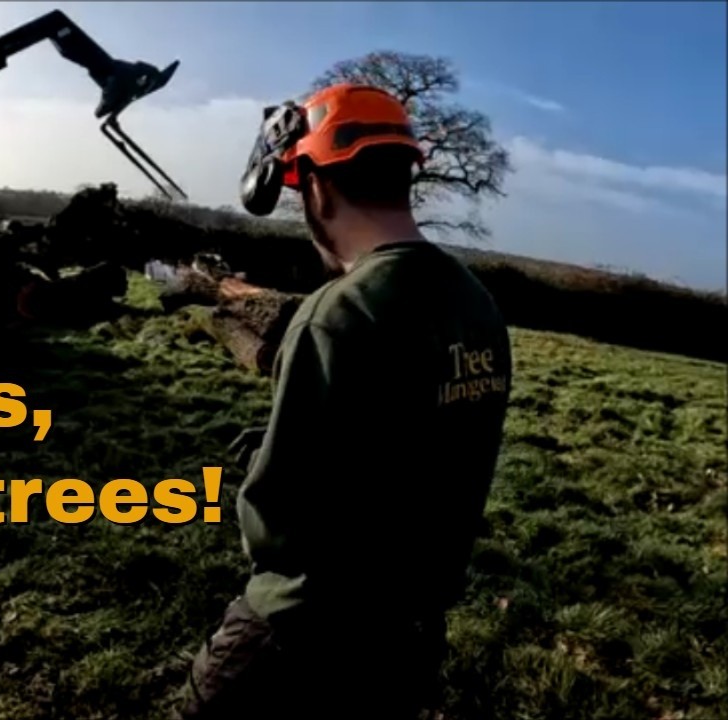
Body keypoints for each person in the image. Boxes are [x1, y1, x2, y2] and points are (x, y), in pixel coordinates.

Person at [175, 83, 513, 719]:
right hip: (406, 636)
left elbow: (277, 523)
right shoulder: (476, 303)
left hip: (302, 628)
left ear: (313, 183)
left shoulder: (339, 313)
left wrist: (254, 471)